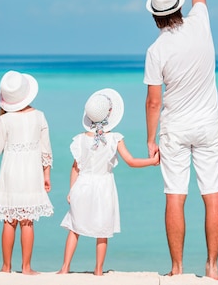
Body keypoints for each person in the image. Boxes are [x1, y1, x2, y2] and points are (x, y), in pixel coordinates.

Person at [144, 0, 218, 279]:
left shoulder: (156, 50)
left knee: (175, 197)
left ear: (155, 16)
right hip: (208, 126)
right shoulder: (200, 22)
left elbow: (152, 101)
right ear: (178, 6)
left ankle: (177, 269)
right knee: (212, 194)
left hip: (175, 129)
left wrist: (150, 139)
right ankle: (213, 267)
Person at [57, 88, 159, 276]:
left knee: (74, 228)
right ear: (110, 114)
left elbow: (75, 167)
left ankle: (64, 268)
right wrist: (152, 162)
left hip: (82, 185)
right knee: (102, 230)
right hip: (103, 187)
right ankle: (98, 270)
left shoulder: (80, 139)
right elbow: (131, 161)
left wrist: (71, 190)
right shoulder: (114, 138)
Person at [0, 70, 53, 275]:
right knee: (27, 221)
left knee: (9, 220)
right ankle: (27, 267)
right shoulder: (39, 116)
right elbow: (46, 151)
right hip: (32, 174)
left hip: (10, 174)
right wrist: (46, 175)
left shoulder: (4, 121)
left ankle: (6, 267)